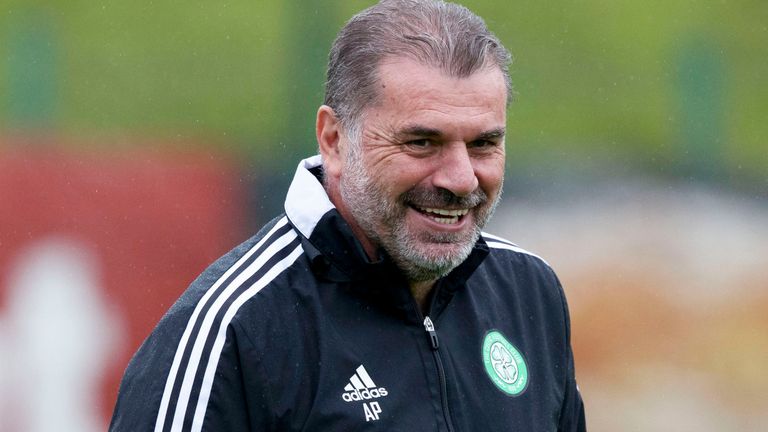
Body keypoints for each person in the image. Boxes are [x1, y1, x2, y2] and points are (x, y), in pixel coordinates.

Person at [110, 0, 586, 430]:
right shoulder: (235, 330)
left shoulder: (530, 291)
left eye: (484, 143)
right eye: (421, 142)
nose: (461, 179)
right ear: (334, 140)